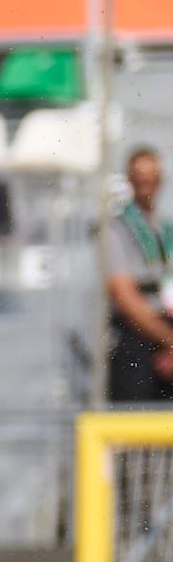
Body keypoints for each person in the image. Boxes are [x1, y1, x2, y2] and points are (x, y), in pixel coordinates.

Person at [98, 144, 171, 404]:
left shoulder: (164, 228)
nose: (146, 185)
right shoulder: (117, 230)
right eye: (140, 178)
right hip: (136, 337)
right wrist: (168, 340)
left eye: (152, 178)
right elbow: (125, 296)